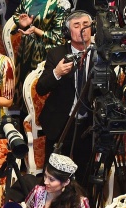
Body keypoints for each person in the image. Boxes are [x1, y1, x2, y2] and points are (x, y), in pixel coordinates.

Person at [35, 12, 95, 169]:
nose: (82, 29)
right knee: (54, 172)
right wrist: (57, 73)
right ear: (68, 32)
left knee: (85, 173)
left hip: (90, 124)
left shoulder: (101, 54)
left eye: (86, 25)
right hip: (61, 122)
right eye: (77, 25)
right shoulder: (57, 54)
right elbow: (41, 88)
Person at [10, 0, 69, 102]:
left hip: (46, 54)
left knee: (40, 93)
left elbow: (59, 38)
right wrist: (22, 23)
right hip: (26, 49)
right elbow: (16, 15)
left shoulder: (61, 4)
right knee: (23, 91)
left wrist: (35, 30)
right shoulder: (27, 0)